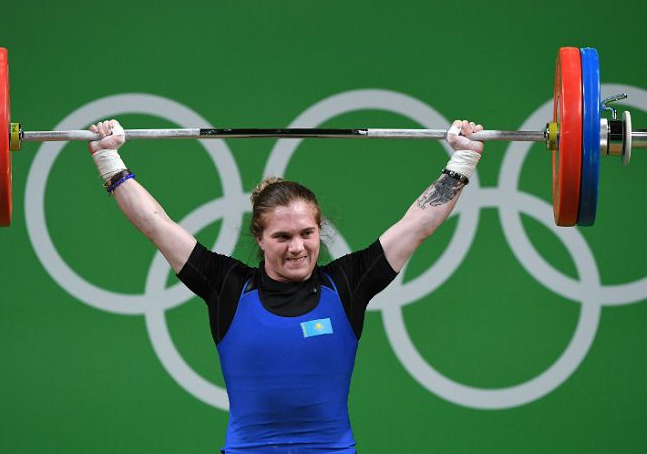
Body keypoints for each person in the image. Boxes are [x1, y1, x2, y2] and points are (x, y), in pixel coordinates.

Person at [88, 119, 484, 453]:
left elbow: (417, 225)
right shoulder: (227, 286)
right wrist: (110, 160)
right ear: (259, 238)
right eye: (282, 236)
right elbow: (156, 225)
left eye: (307, 233)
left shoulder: (347, 284)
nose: (298, 247)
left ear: (319, 230)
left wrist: (461, 161)